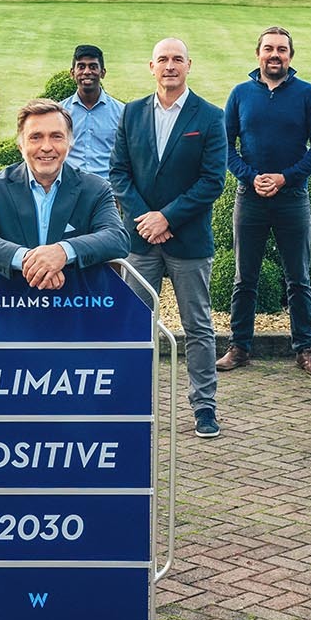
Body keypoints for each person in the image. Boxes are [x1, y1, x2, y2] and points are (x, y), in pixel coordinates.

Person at [109, 38, 228, 438]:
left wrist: (168, 217)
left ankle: (204, 407)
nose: (170, 66)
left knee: (198, 326)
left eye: (177, 59)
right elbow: (119, 173)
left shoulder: (210, 117)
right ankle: (129, 403)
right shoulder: (131, 113)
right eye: (163, 59)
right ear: (151, 66)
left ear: (189, 65)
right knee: (134, 325)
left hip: (188, 241)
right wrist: (146, 219)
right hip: (141, 240)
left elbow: (212, 181)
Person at [219, 26, 311, 377]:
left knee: (298, 277)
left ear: (290, 56)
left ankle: (305, 349)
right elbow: (225, 146)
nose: (275, 55)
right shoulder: (240, 94)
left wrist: (286, 177)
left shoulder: (307, 94)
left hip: (292, 198)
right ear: (258, 54)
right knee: (244, 277)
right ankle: (239, 347)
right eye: (268, 48)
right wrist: (250, 177)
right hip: (249, 197)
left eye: (282, 49)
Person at [0, 98, 129, 286]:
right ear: (21, 145)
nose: (46, 147)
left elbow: (116, 237)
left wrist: (63, 251)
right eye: (36, 137)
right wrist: (27, 259)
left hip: (76, 304)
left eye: (56, 136)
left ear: (70, 144)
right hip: (6, 302)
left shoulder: (96, 188)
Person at [61, 44, 123, 179]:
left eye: (93, 67)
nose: (87, 72)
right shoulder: (60, 113)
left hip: (107, 189)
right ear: (72, 73)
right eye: (81, 66)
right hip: (70, 186)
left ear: (103, 73)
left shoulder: (122, 113)